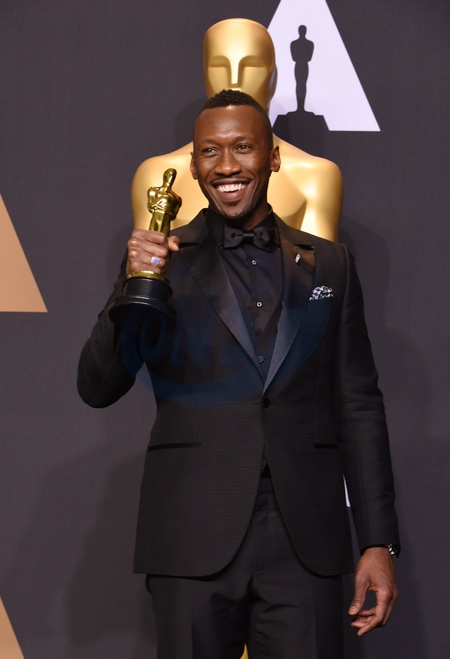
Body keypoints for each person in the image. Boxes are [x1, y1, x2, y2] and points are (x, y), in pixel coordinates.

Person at [78, 90, 399, 658]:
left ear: (272, 157)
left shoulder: (332, 265)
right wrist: (132, 284)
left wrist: (377, 541)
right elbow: (98, 386)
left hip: (305, 541)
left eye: (243, 148)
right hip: (190, 534)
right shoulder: (162, 260)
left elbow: (358, 404)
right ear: (193, 165)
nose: (226, 165)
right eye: (210, 151)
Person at [131, 18, 342, 241]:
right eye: (219, 66)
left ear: (274, 78)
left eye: (251, 66)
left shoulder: (315, 177)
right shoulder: (157, 174)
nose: (234, 80)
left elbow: (318, 261)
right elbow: (149, 259)